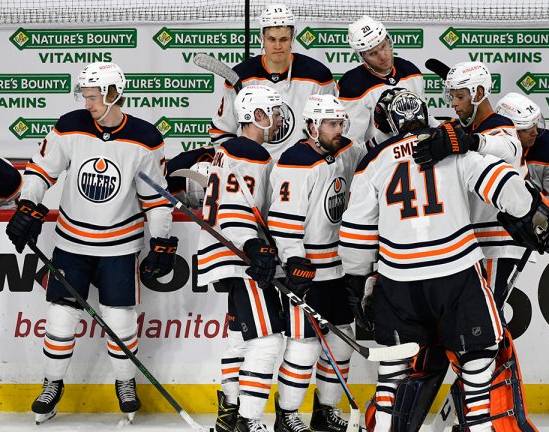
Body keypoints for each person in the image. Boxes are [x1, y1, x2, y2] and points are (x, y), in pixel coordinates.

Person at [339, 89, 549, 432]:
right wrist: (526, 210)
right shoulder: (451, 146)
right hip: (455, 273)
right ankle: (478, 427)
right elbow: (510, 187)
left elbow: (355, 233)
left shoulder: (373, 162)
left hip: (397, 279)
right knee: (478, 362)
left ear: (387, 123)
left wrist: (357, 280)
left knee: (394, 372)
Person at [5, 61, 178, 425]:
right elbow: (41, 171)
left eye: (94, 97)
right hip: (72, 242)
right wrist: (28, 204)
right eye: (85, 97)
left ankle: (125, 383)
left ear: (115, 94)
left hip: (120, 245)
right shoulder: (70, 126)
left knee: (120, 320)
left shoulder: (145, 139)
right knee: (60, 317)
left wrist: (161, 241)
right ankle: (52, 384)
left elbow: (155, 199)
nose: (89, 104)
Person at [267, 94, 363, 432]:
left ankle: (325, 411)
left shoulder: (346, 151)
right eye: (332, 124)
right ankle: (286, 414)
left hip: (337, 267)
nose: (339, 129)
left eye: (341, 123)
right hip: (307, 269)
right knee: (304, 344)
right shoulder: (295, 162)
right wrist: (294, 259)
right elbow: (282, 221)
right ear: (312, 126)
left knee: (341, 340)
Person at [199, 85, 286, 432]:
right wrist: (253, 246)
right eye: (274, 112)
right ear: (258, 116)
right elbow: (235, 210)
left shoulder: (227, 150)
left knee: (239, 336)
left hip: (225, 252)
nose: (279, 118)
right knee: (267, 340)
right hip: (239, 255)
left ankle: (229, 412)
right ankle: (250, 422)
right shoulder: (250, 153)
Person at [412, 61, 526, 311]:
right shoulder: (460, 129)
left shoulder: (500, 125)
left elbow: (508, 149)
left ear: (480, 94)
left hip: (498, 241)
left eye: (460, 96)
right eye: (451, 96)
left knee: (488, 318)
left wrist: (471, 141)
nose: (454, 103)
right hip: (472, 243)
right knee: (473, 320)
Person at [209, 3, 335, 160]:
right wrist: (235, 164)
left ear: (293, 38)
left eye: (283, 39)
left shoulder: (318, 76)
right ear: (261, 38)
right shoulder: (241, 75)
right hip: (252, 167)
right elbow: (221, 132)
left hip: (298, 168)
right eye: (271, 39)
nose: (277, 46)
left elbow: (330, 129)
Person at [338, 15, 431, 148]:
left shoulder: (410, 71)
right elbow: (351, 146)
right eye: (373, 53)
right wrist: (382, 141)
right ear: (362, 56)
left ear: (388, 40)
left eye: (383, 47)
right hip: (377, 162)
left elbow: (424, 118)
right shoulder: (353, 85)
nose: (383, 56)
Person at [495, 92, 549, 210]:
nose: (535, 133)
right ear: (507, 130)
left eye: (535, 125)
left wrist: (537, 213)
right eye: (526, 129)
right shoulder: (487, 148)